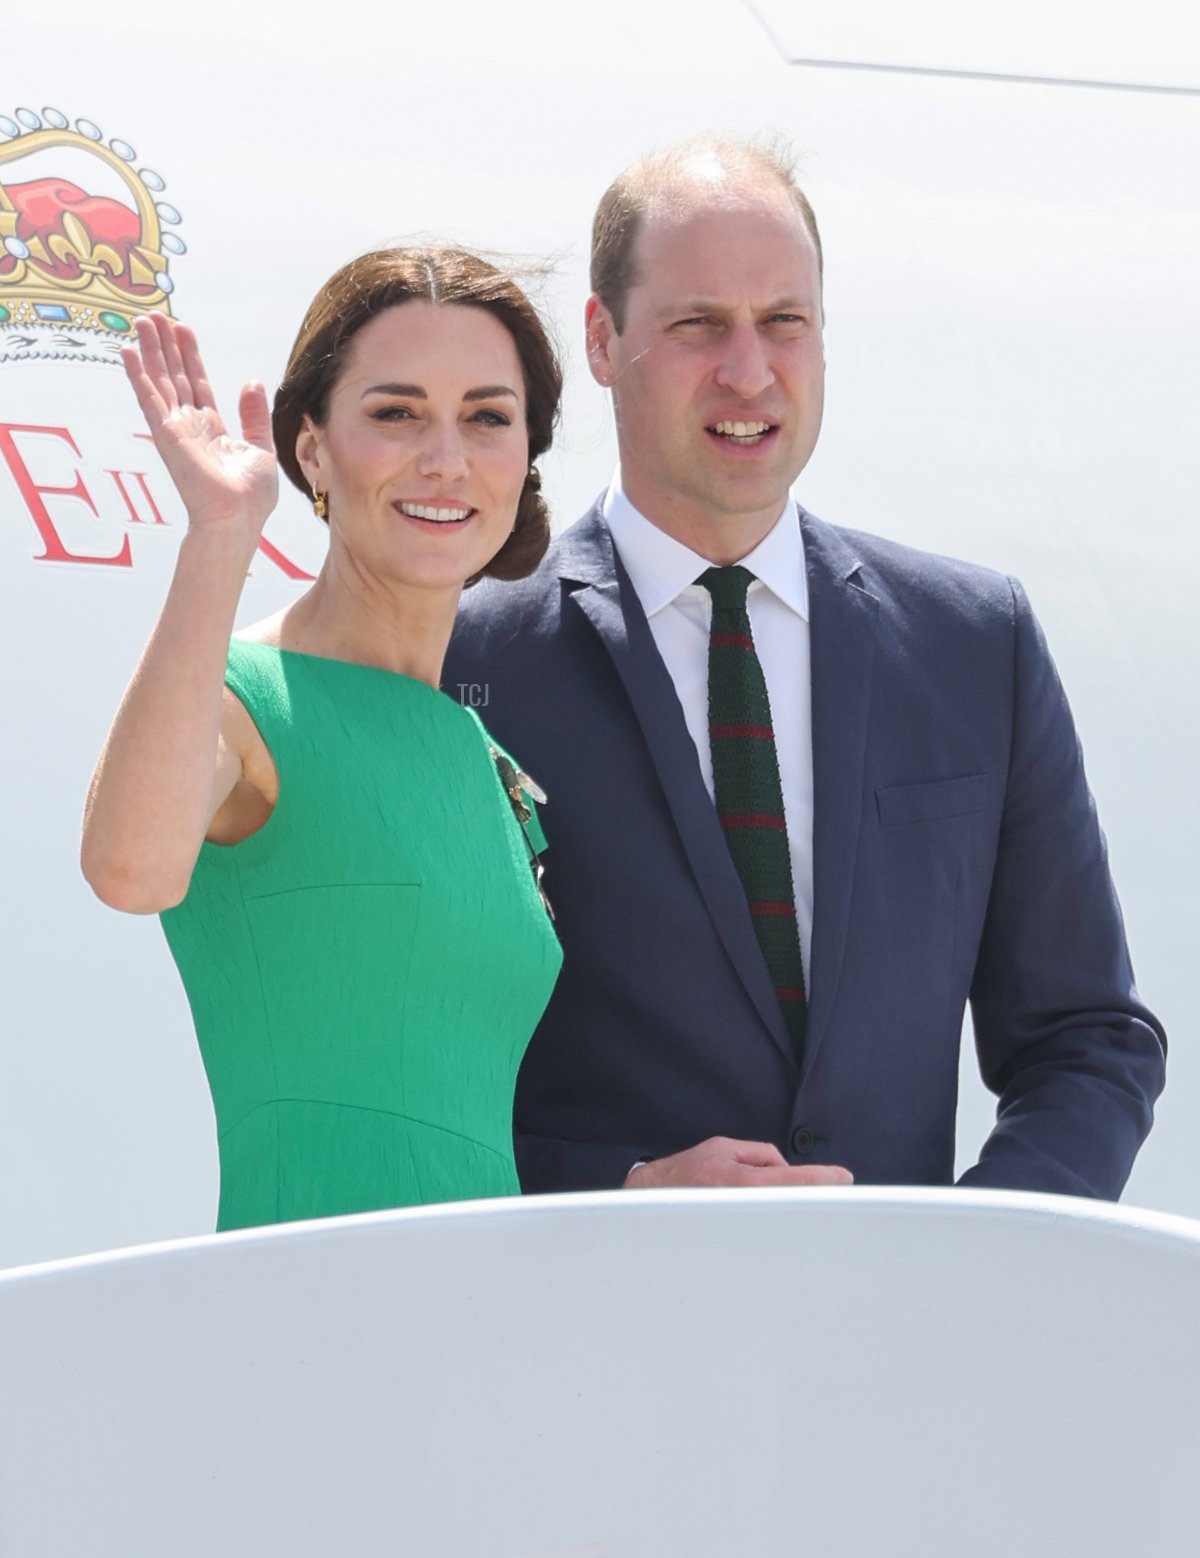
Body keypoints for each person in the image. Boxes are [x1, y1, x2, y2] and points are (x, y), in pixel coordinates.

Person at [445, 135, 1166, 1198]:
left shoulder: (976, 643)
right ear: (602, 339)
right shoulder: (470, 659)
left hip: (893, 1344)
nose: (750, 369)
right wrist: (621, 1191)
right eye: (699, 325)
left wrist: (969, 1259)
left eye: (784, 321)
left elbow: (1088, 1039)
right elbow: (408, 1083)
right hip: (587, 1332)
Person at [81, 247, 563, 1229]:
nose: (446, 458)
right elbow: (131, 869)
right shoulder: (247, 698)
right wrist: (222, 536)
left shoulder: (482, 757)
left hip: (483, 1327)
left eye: (487, 416)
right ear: (311, 451)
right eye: (395, 413)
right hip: (300, 1317)